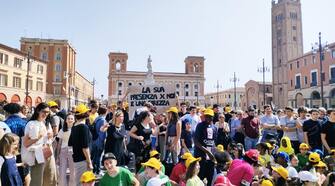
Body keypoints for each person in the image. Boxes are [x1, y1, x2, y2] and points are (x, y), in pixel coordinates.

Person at [21, 102, 51, 186]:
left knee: (38, 179)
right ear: (38, 111)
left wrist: (48, 138)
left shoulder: (42, 123)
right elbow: (26, 143)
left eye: (47, 112)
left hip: (41, 154)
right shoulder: (32, 124)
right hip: (35, 156)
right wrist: (38, 137)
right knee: (36, 181)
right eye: (43, 111)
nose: (45, 114)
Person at [68, 104, 93, 186]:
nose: (88, 112)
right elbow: (85, 147)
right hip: (83, 160)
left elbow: (70, 143)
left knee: (80, 182)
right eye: (87, 111)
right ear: (84, 114)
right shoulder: (83, 127)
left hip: (77, 159)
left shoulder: (74, 126)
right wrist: (89, 162)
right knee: (84, 183)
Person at [194, 108, 217, 185]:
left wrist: (213, 154)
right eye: (206, 116)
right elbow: (196, 142)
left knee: (210, 178)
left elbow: (214, 143)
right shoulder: (200, 126)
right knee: (200, 177)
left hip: (211, 159)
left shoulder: (214, 128)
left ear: (212, 117)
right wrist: (207, 152)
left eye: (209, 116)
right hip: (201, 156)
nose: (207, 118)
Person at [56, 113, 75, 186]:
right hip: (63, 151)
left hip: (72, 151)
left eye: (71, 118)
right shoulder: (62, 130)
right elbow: (59, 143)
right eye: (68, 118)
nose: (70, 120)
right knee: (62, 171)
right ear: (66, 120)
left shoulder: (76, 129)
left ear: (74, 120)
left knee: (73, 172)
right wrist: (57, 155)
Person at [91, 106, 108, 174]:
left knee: (95, 156)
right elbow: (102, 132)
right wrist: (103, 140)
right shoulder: (103, 120)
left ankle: (95, 169)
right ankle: (98, 170)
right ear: (105, 112)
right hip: (99, 140)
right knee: (99, 156)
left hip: (94, 139)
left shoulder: (97, 118)